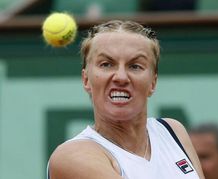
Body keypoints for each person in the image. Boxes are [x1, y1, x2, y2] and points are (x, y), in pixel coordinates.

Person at [47, 20, 205, 179]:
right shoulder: (71, 156)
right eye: (106, 64)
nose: (121, 77)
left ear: (153, 82)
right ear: (86, 79)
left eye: (135, 66)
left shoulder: (173, 131)